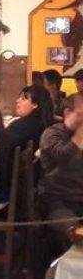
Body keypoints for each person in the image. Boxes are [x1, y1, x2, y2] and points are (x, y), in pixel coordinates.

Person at [0, 85, 54, 212]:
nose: (17, 101)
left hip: (2, 193)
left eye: (23, 98)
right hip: (22, 190)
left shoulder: (22, 127)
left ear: (35, 104)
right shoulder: (44, 125)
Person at [38, 91, 83, 245]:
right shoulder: (53, 133)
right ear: (67, 113)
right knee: (75, 233)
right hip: (58, 201)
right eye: (80, 114)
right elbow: (61, 156)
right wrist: (79, 137)